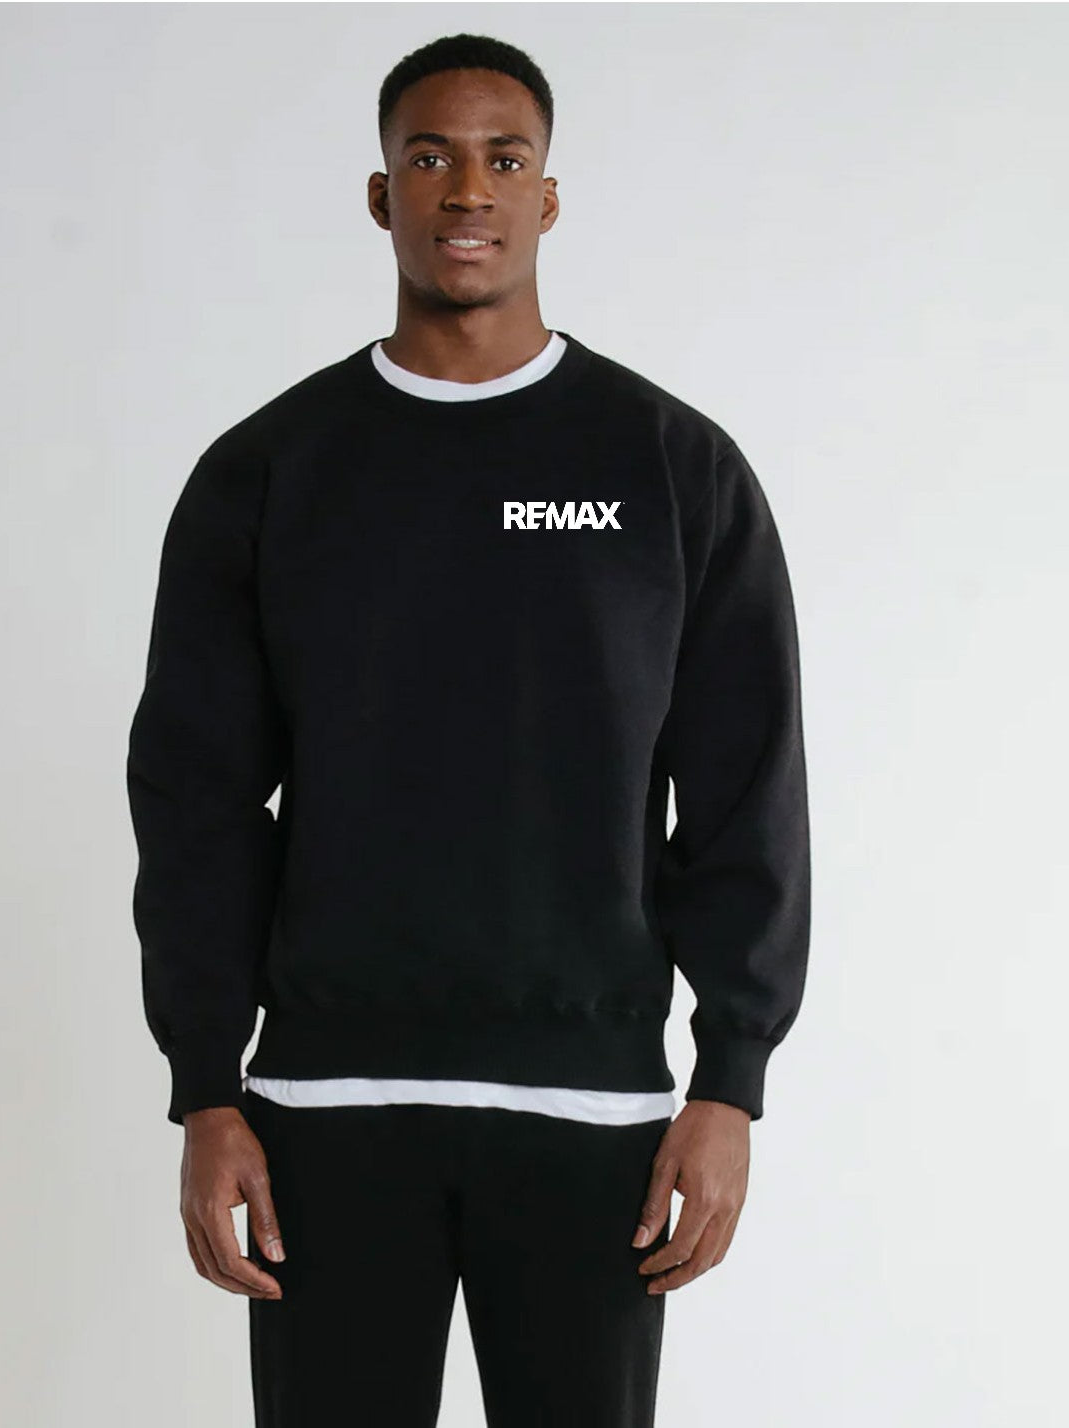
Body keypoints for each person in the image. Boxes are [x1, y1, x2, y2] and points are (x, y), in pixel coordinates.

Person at [126, 31, 811, 1428]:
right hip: (323, 1112)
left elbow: (746, 790)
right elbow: (197, 802)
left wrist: (731, 1080)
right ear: (382, 194)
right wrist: (204, 1085)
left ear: (548, 196)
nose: (467, 190)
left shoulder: (669, 468)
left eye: (505, 159)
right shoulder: (271, 471)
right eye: (429, 157)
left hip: (594, 1120)